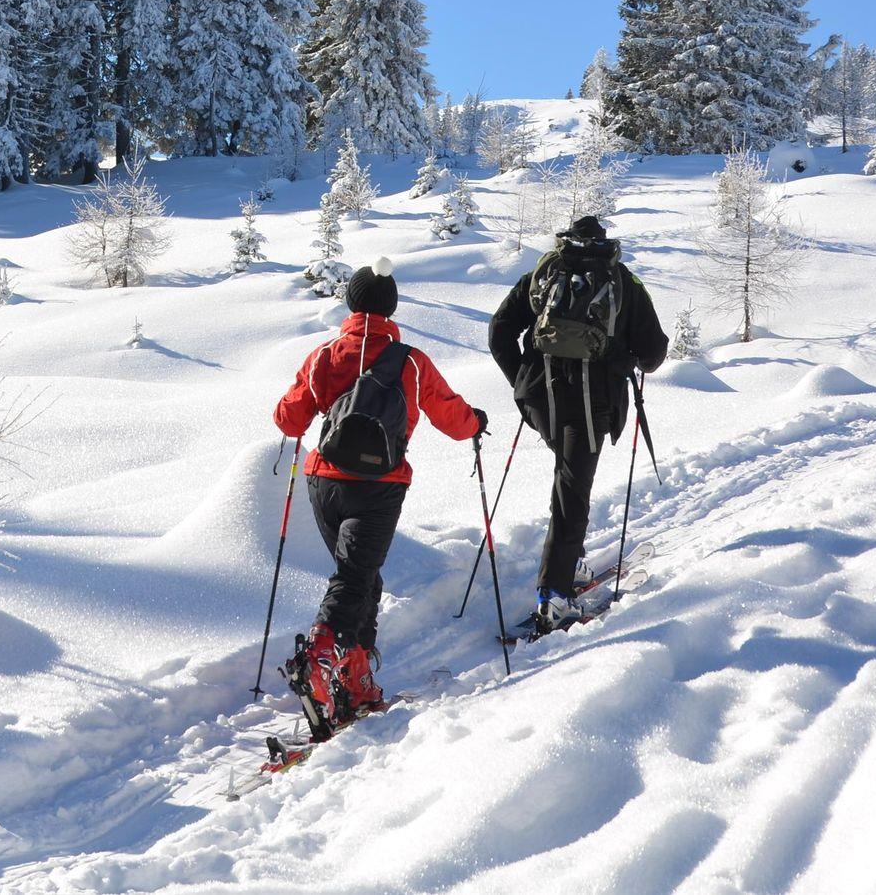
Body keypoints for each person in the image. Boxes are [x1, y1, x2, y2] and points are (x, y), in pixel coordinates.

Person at [273, 256, 486, 725]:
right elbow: (452, 417)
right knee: (355, 577)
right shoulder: (410, 362)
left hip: (324, 482)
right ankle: (320, 659)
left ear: (351, 303)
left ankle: (355, 679)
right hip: (379, 487)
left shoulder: (325, 355)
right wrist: (476, 423)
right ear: (391, 307)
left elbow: (288, 419)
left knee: (362, 577)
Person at [487, 214, 667, 633]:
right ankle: (554, 595)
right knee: (573, 490)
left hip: (541, 399)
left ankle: (569, 563)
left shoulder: (543, 273)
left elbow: (499, 331)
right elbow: (654, 354)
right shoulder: (623, 281)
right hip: (591, 404)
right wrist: (624, 357)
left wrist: (521, 379)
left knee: (567, 479)